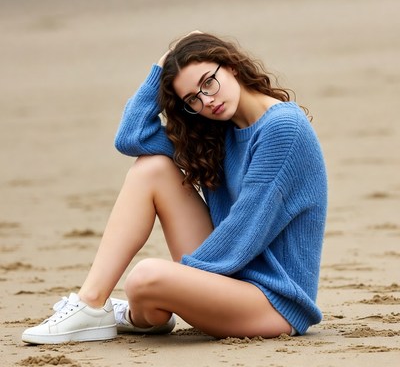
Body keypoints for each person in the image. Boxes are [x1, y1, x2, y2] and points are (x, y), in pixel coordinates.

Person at [22, 31, 327, 345]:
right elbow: (132, 136)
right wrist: (159, 71)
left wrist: (182, 279)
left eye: (209, 82)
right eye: (193, 99)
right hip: (231, 276)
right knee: (151, 168)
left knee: (145, 277)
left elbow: (246, 228)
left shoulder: (282, 127)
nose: (207, 100)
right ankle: (93, 304)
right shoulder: (219, 132)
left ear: (232, 66)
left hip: (274, 303)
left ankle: (137, 309)